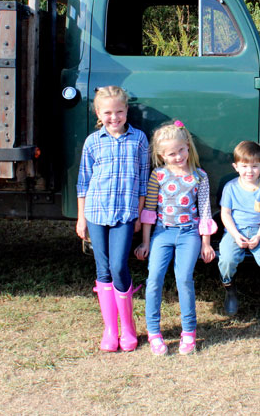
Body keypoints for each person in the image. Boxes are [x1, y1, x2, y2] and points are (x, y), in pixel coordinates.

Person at [76, 86, 150, 352]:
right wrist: (81, 218)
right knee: (102, 268)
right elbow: (83, 182)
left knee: (119, 266)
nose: (114, 117)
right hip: (96, 211)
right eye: (108, 112)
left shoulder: (139, 139)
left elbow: (143, 181)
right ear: (98, 113)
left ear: (126, 110)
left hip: (125, 213)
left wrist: (140, 214)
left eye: (119, 111)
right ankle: (110, 329)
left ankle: (128, 327)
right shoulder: (93, 142)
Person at [135, 120, 217, 355]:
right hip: (162, 231)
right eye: (172, 153)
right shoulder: (158, 176)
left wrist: (206, 243)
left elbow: (204, 210)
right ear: (162, 155)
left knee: (184, 279)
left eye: (181, 150)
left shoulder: (199, 176)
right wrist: (146, 241)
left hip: (189, 233)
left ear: (188, 147)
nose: (178, 156)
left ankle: (189, 332)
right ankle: (154, 332)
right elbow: (149, 211)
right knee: (154, 279)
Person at [218, 140, 260, 321]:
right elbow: (225, 214)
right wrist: (235, 235)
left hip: (258, 232)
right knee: (226, 259)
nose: (250, 171)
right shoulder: (231, 187)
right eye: (244, 166)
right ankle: (230, 293)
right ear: (236, 167)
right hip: (235, 231)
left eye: (255, 166)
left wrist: (258, 236)